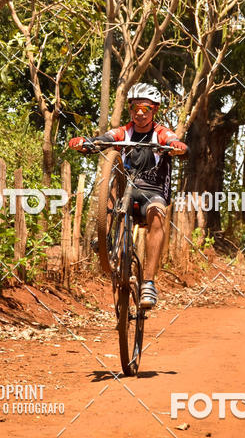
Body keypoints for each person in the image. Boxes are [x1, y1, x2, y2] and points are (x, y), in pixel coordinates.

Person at [69, 83, 187, 309]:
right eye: (135, 108)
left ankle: (149, 283)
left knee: (157, 215)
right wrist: (86, 143)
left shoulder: (161, 133)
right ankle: (106, 239)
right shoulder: (123, 131)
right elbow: (104, 138)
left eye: (145, 108)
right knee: (114, 183)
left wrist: (177, 146)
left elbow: (173, 140)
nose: (139, 113)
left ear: (154, 110)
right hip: (126, 193)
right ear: (130, 109)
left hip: (153, 193)